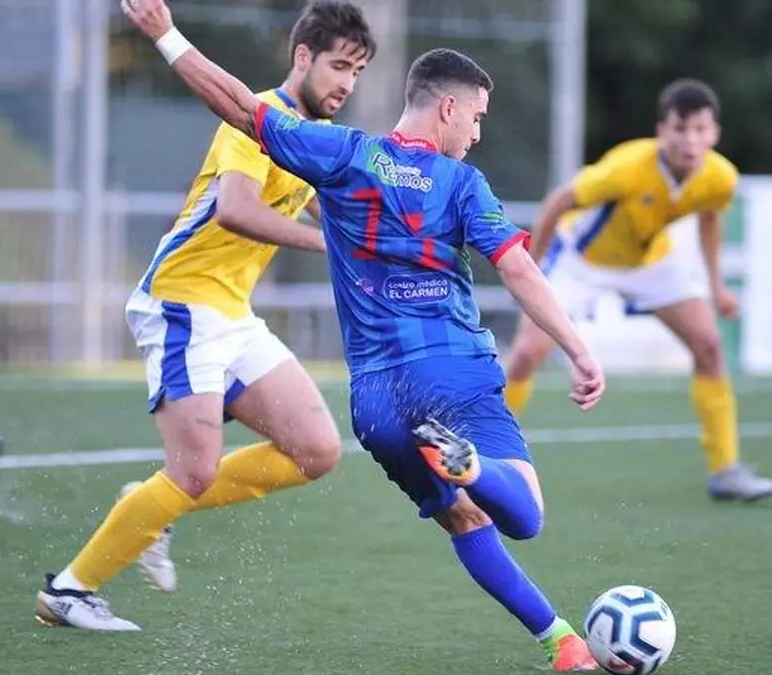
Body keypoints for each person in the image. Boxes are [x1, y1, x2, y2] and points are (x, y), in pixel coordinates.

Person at [106, 1, 607, 670]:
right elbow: (516, 267)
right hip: (451, 373)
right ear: (448, 109)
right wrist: (577, 348)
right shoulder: (461, 183)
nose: (477, 133)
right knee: (523, 514)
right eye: (477, 117)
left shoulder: (344, 153)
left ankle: (561, 642)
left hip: (377, 403)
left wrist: (166, 36)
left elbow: (240, 107)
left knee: (465, 518)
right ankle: (474, 466)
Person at [35, 1, 375, 629]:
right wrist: (330, 245)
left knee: (316, 450)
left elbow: (323, 208)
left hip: (231, 314)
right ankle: (70, 590)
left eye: (357, 72)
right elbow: (235, 210)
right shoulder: (256, 118)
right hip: (182, 302)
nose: (348, 83)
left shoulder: (313, 139)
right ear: (303, 57)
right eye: (339, 66)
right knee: (192, 472)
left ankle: (150, 506)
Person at [503, 79, 772, 502]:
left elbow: (710, 218)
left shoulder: (720, 177)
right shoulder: (627, 167)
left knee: (709, 345)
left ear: (715, 133)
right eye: (680, 128)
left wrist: (717, 287)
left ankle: (726, 470)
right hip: (582, 261)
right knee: (526, 353)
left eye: (700, 129)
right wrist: (532, 269)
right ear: (662, 130)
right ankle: (486, 451)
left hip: (652, 263)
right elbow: (558, 201)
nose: (690, 140)